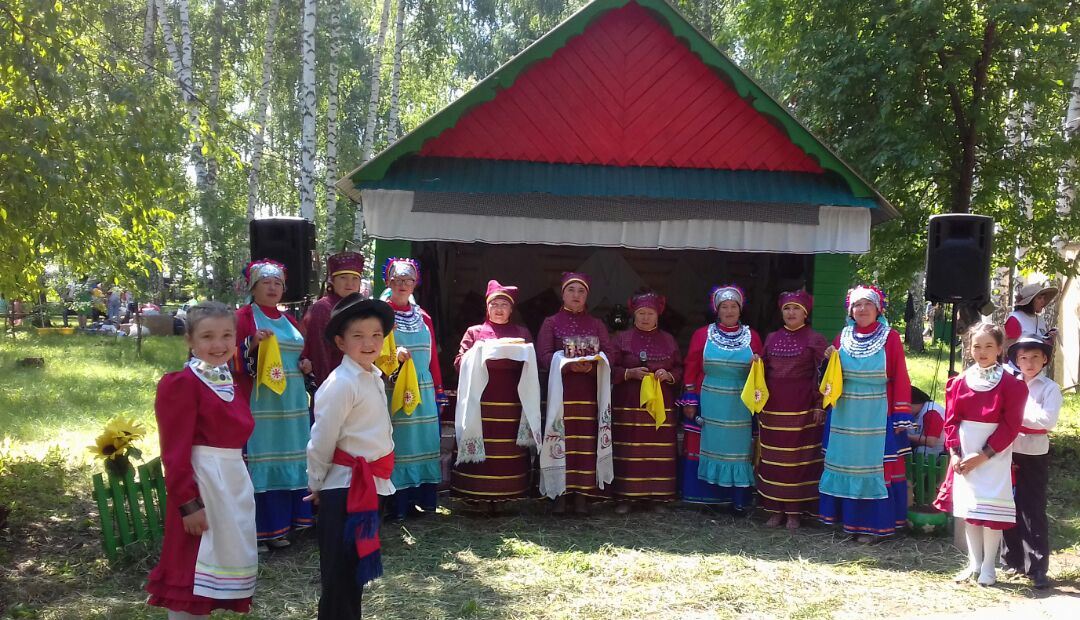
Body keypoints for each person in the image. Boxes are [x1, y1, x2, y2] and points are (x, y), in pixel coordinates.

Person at [147, 302, 257, 618]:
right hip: (202, 487)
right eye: (208, 336)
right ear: (191, 341)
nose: (218, 345)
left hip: (231, 487)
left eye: (226, 335)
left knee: (211, 579)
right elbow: (175, 451)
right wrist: (188, 504)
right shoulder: (182, 384)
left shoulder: (231, 383)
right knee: (190, 574)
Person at [307, 294, 397, 619]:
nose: (369, 342)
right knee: (339, 576)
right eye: (358, 336)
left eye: (375, 335)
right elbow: (322, 439)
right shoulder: (341, 384)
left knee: (354, 574)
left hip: (371, 486)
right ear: (340, 342)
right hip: (346, 490)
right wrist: (316, 482)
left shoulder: (371, 375)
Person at [933, 323, 1027, 586]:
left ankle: (989, 567)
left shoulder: (1011, 384)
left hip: (993, 454)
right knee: (970, 509)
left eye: (988, 346)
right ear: (969, 348)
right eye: (977, 346)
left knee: (991, 512)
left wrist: (983, 455)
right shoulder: (960, 382)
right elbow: (951, 420)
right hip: (964, 454)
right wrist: (954, 453)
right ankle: (973, 564)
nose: (982, 351)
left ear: (1000, 348)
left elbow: (1011, 425)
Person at [818, 285, 912, 542]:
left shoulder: (890, 337)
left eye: (867, 304)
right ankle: (850, 523)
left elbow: (900, 376)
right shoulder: (843, 336)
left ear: (878, 309)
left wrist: (900, 413)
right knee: (848, 466)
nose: (862, 309)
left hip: (876, 411)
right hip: (846, 411)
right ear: (850, 310)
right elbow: (832, 376)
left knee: (874, 468)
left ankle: (874, 527)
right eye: (857, 305)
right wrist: (829, 360)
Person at [233, 259, 314, 551]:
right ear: (253, 287)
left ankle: (283, 527)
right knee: (264, 462)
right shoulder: (243, 317)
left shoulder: (289, 320)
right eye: (266, 282)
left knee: (289, 459)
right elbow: (230, 359)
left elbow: (297, 355)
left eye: (278, 283)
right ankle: (260, 531)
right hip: (261, 405)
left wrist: (304, 365)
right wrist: (251, 344)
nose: (272, 287)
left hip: (291, 405)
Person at [451, 280, 542, 513]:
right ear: (487, 307)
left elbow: (533, 362)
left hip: (511, 403)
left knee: (507, 448)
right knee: (484, 445)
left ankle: (506, 496)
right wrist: (478, 352)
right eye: (495, 304)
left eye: (504, 304)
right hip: (480, 404)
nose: (499, 309)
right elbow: (459, 363)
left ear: (511, 310)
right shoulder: (474, 332)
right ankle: (477, 496)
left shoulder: (521, 334)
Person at [536, 272, 613, 515]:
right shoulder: (550, 322)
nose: (576, 295)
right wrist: (567, 364)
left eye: (581, 291)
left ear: (587, 295)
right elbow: (544, 356)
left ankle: (582, 495)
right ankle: (559, 494)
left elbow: (609, 354)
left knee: (586, 442)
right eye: (571, 290)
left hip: (589, 395)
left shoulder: (597, 324)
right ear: (563, 293)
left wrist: (593, 365)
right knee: (562, 440)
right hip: (562, 396)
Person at [681, 285, 762, 513]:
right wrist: (690, 397)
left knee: (739, 449)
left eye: (733, 306)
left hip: (740, 402)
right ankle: (705, 497)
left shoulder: (752, 336)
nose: (729, 311)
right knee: (708, 444)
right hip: (710, 398)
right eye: (724, 306)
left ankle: (737, 499)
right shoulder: (702, 334)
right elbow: (692, 365)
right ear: (717, 310)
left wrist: (757, 364)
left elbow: (761, 371)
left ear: (740, 309)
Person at [757, 290, 829, 530]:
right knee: (773, 458)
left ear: (805, 313)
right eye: (787, 308)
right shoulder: (771, 338)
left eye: (796, 308)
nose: (791, 313)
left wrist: (820, 404)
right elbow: (763, 371)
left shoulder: (815, 339)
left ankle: (795, 512)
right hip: (773, 408)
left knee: (798, 460)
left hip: (802, 408)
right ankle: (775, 509)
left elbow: (824, 374)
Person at [382, 258, 448, 520]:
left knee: (424, 442)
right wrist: (391, 356)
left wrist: (438, 388)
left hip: (423, 386)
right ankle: (397, 505)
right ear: (388, 282)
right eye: (397, 280)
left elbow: (432, 357)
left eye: (408, 281)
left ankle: (421, 501)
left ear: (415, 284)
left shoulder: (424, 317)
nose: (402, 285)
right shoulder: (380, 313)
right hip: (393, 387)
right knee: (401, 445)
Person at [609, 289, 682, 514]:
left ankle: (658, 497)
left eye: (650, 313)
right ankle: (626, 497)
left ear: (658, 315)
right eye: (641, 313)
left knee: (658, 449)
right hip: (629, 403)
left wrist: (669, 375)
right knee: (630, 448)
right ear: (634, 315)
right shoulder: (621, 338)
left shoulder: (668, 339)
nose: (645, 317)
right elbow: (608, 367)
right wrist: (629, 373)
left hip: (660, 404)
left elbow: (680, 367)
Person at [1001, 335, 1062, 589]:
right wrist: (1021, 417)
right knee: (1007, 505)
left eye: (1035, 357)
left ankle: (1037, 566)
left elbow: (1047, 421)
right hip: (1007, 451)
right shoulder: (1009, 383)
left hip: (1034, 453)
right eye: (1023, 357)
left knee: (1032, 508)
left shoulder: (1050, 388)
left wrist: (1015, 416)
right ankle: (1011, 561)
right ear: (1016, 360)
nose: (1028, 363)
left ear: (1045, 359)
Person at [302, 251, 366, 388]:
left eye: (355, 278)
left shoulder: (363, 308)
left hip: (361, 381)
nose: (350, 283)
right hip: (334, 382)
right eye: (343, 277)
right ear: (332, 281)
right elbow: (320, 353)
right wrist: (326, 387)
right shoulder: (323, 308)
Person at [1004, 283, 1058, 351]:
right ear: (1029, 301)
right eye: (1039, 298)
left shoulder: (1041, 320)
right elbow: (1008, 349)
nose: (1043, 301)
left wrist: (1050, 339)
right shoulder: (1015, 319)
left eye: (1043, 298)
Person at [908, 387, 946, 456]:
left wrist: (905, 437)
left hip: (934, 457)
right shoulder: (920, 411)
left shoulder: (931, 412)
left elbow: (931, 441)